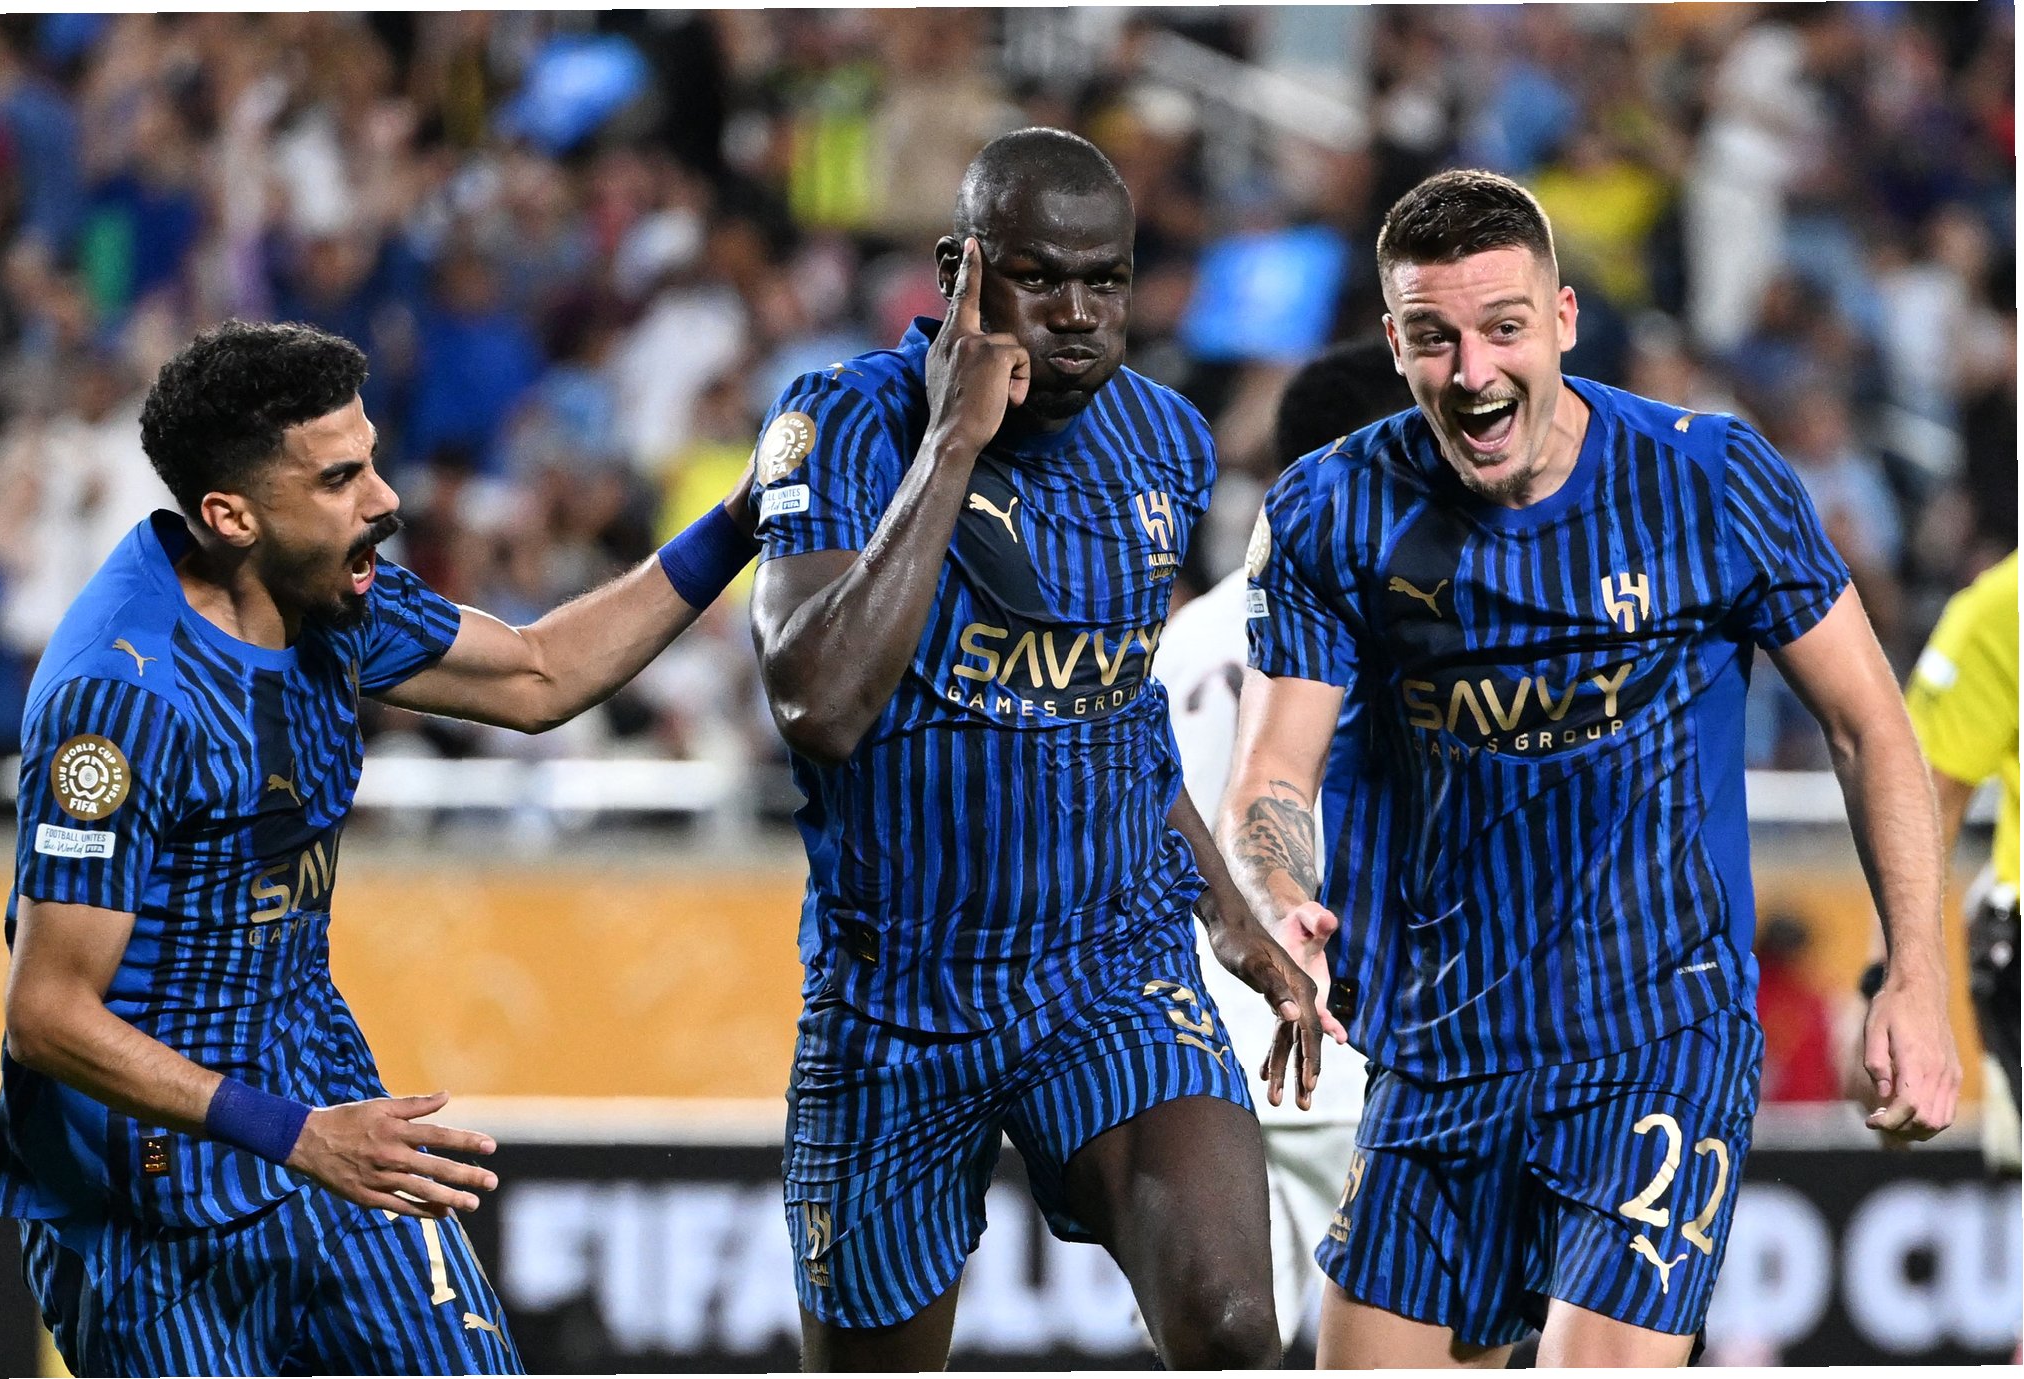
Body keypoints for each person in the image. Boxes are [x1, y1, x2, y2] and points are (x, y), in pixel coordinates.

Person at [1219, 169, 1959, 1368]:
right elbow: (1272, 769)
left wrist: (1916, 974)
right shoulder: (1330, 509)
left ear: (1563, 318)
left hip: (1657, 1034)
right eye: (1434, 337)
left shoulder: (1710, 479)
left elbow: (1870, 725)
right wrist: (1278, 902)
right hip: (1437, 1048)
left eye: (1504, 327)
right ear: (1395, 343)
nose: (1473, 372)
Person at [0, 319, 758, 1375]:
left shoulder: (330, 595)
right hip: (146, 1197)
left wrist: (744, 517)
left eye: (371, 459)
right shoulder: (121, 697)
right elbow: (47, 1014)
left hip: (329, 1112)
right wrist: (294, 1133)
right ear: (231, 514)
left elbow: (538, 673)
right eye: (340, 478)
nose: (385, 499)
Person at [747, 127, 1328, 1370]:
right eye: (1037, 276)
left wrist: (1231, 918)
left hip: (1107, 969)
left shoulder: (1164, 440)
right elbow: (819, 704)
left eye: (1104, 280)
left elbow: (1118, 714)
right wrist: (951, 443)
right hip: (896, 996)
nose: (1076, 313)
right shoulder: (841, 423)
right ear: (957, 272)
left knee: (1235, 1326)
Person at [1152, 334, 1411, 1349]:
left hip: (1211, 1044)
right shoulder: (1387, 625)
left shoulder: (1188, 635)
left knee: (1221, 1343)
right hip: (1361, 1036)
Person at [1900, 550, 2018, 1168]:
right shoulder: (2003, 605)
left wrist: (1886, 978)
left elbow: (1927, 801)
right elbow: (1927, 801)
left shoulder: (2002, 602)